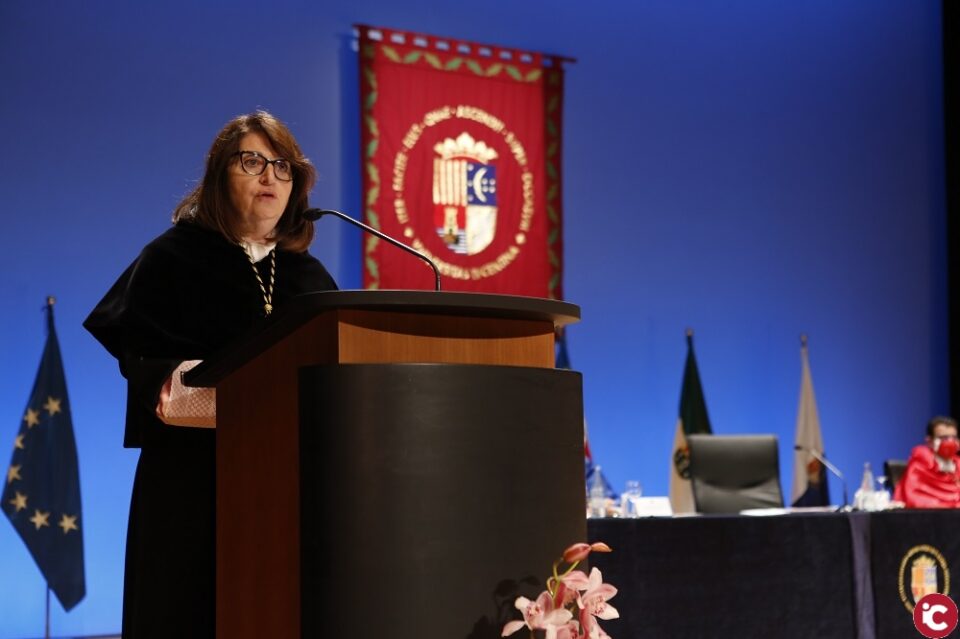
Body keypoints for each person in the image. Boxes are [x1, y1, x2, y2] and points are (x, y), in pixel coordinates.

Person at [84, 110, 338, 637]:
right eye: (253, 162)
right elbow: (147, 369)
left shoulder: (309, 276)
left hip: (289, 487)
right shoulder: (171, 258)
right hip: (191, 484)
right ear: (221, 175)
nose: (270, 177)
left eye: (283, 166)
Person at [894, 415, 960, 509]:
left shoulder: (958, 464)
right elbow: (916, 499)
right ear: (929, 441)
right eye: (944, 438)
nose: (950, 442)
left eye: (954, 438)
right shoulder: (919, 466)